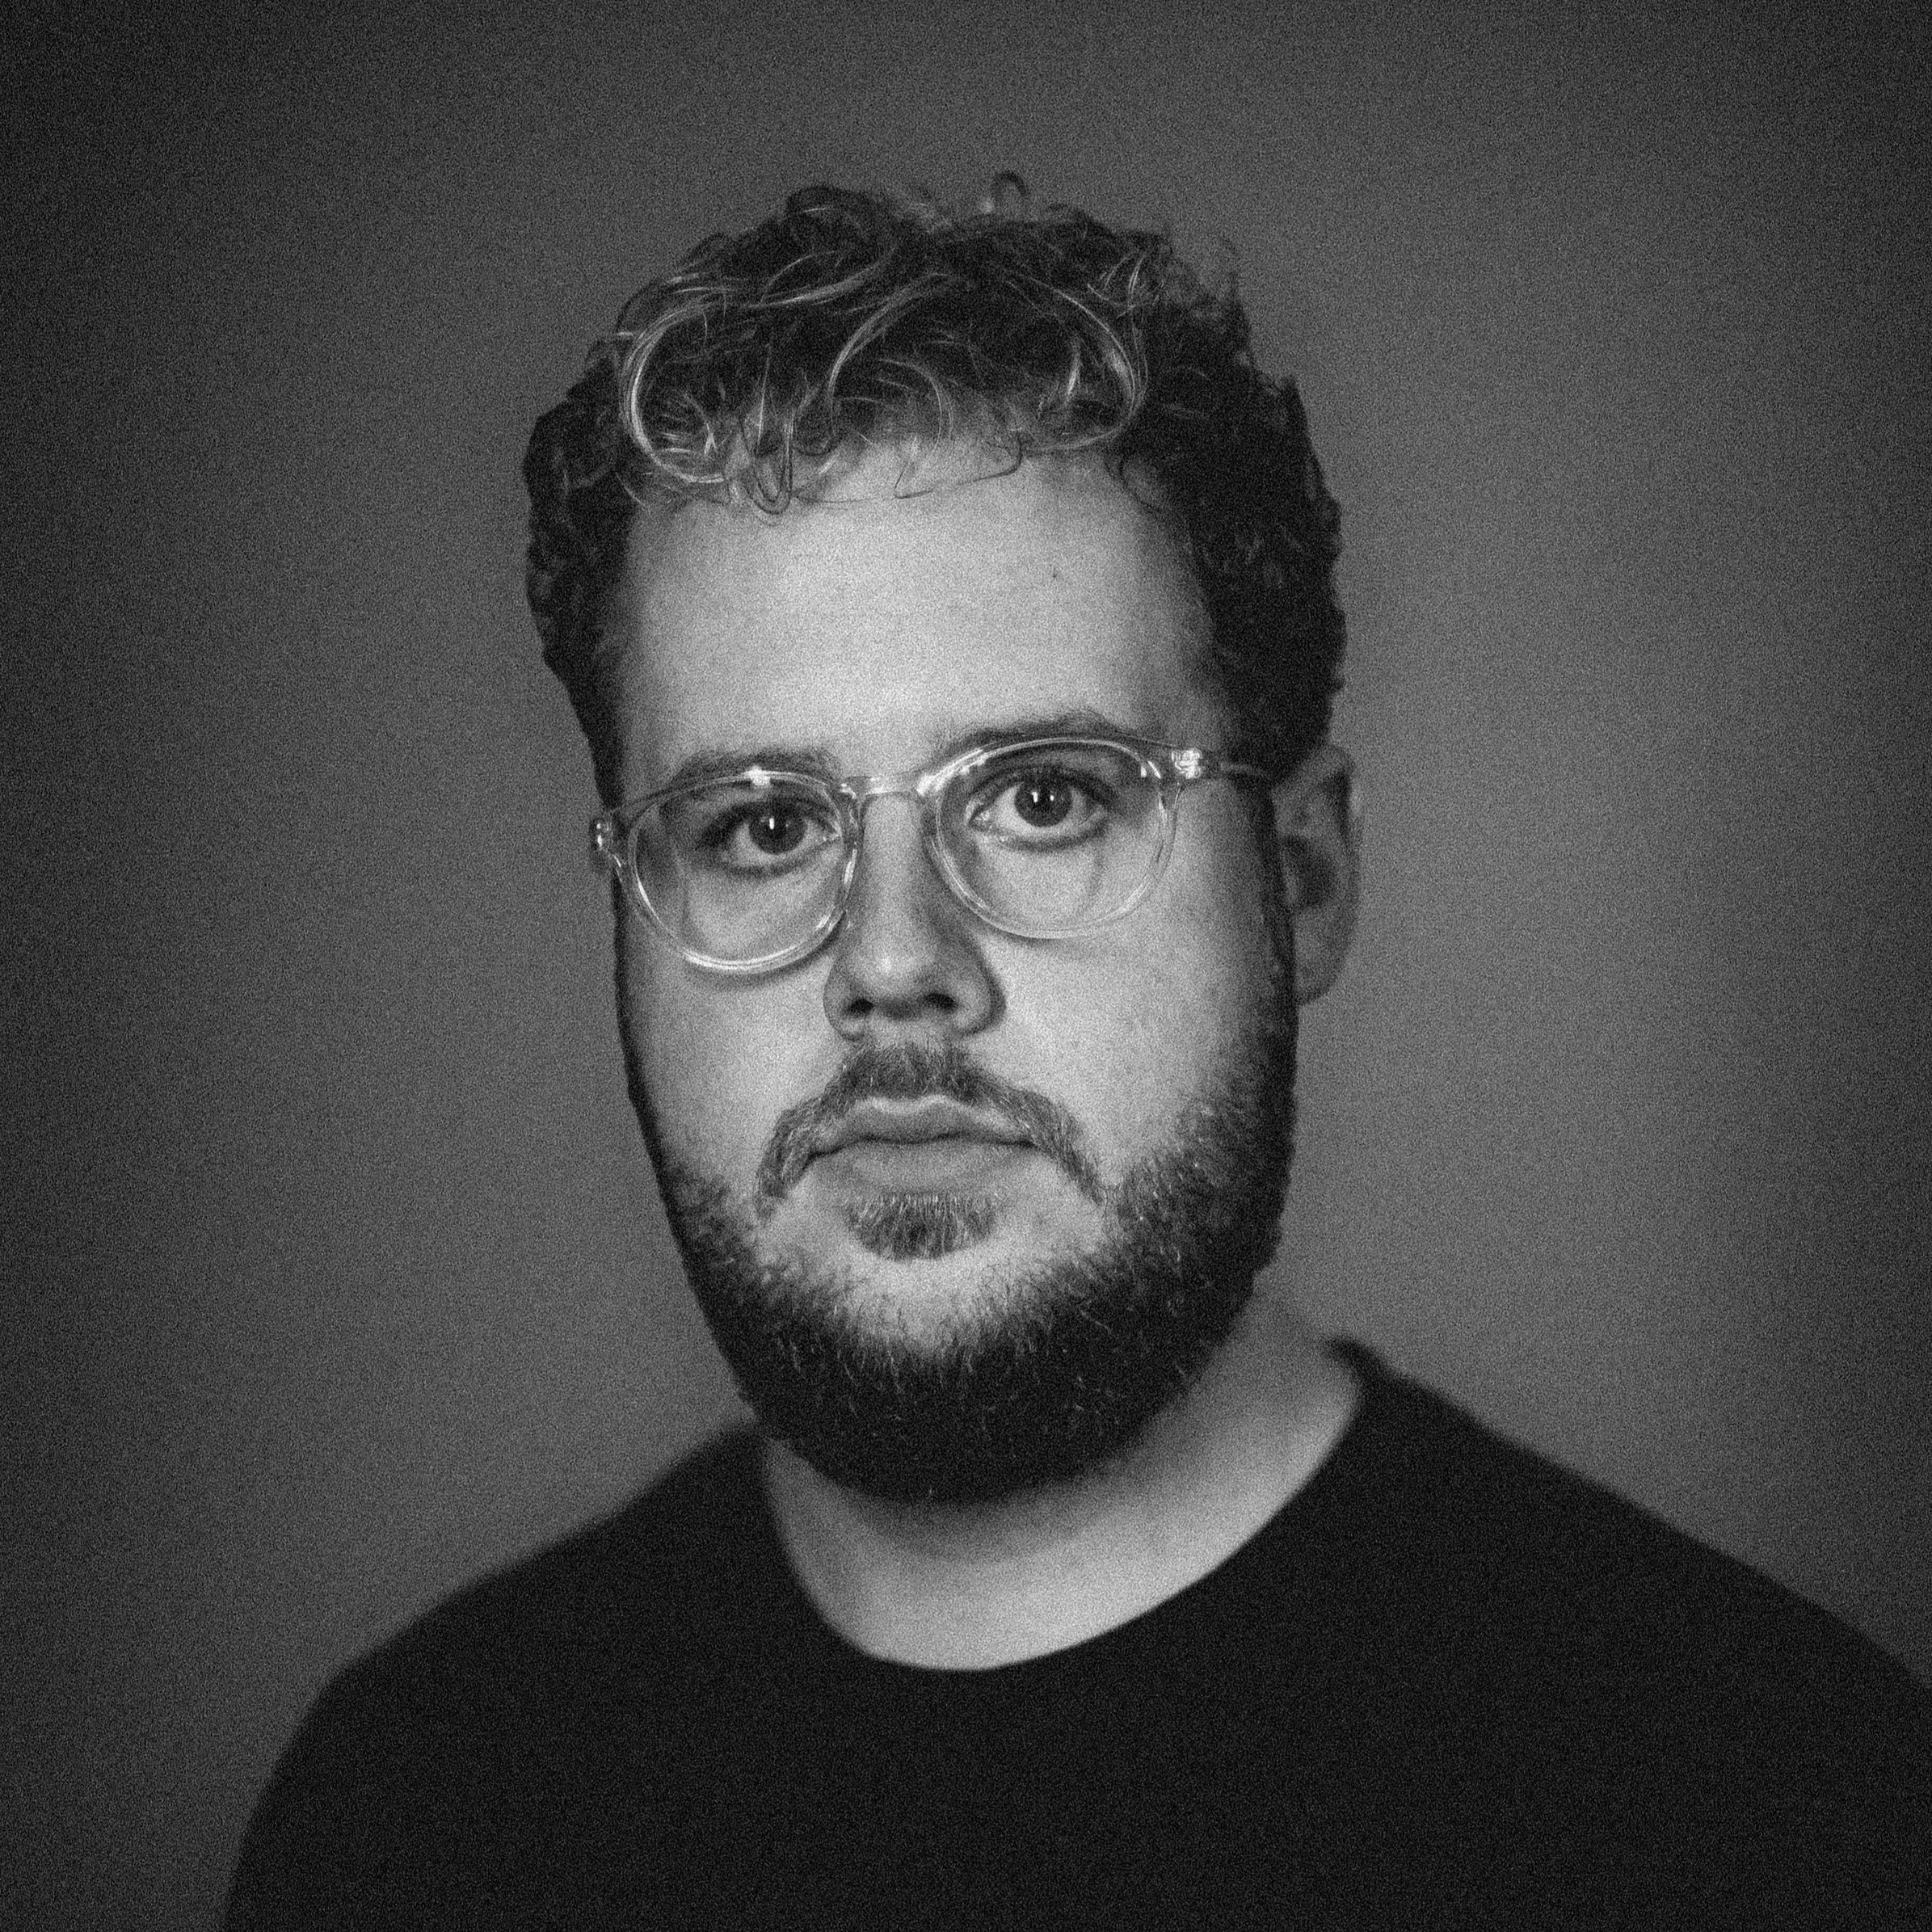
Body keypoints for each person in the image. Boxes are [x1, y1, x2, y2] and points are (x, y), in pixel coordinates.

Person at [228, 183, 1930, 1928]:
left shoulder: (1776, 1811)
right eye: (756, 824)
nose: (894, 963)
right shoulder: (414, 1815)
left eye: (1046, 799)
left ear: (1300, 877)